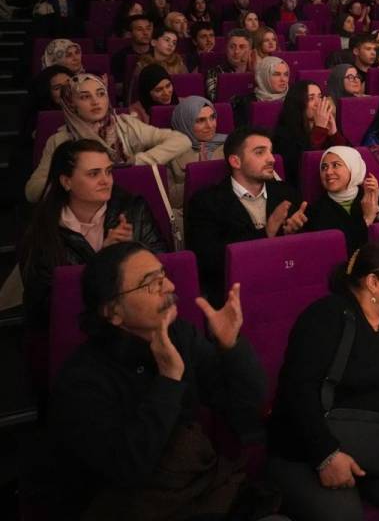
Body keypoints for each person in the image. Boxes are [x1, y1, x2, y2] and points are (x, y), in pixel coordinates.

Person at [48, 242, 266, 519]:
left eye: (163, 276)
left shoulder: (182, 336)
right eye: (151, 284)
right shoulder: (81, 381)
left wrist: (231, 347)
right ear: (113, 312)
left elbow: (245, 408)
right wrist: (168, 380)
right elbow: (128, 469)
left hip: (200, 491)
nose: (170, 287)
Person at [267, 240, 379, 521]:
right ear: (373, 282)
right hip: (309, 447)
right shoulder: (324, 317)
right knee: (342, 514)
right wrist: (325, 455)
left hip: (376, 441)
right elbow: (297, 391)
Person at [19, 140, 166, 332]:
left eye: (108, 171)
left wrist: (132, 253)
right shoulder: (43, 228)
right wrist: (102, 259)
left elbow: (163, 269)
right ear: (66, 181)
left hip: (132, 323)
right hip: (75, 329)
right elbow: (44, 305)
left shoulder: (132, 208)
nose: (106, 181)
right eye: (93, 174)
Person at [26, 74, 191, 203]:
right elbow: (32, 191)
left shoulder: (126, 125)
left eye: (100, 94)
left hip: (127, 201)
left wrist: (139, 161)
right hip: (81, 208)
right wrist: (75, 181)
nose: (95, 102)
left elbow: (181, 140)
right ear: (71, 104)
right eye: (84, 97)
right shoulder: (60, 140)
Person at [185, 127, 309, 299]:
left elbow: (305, 253)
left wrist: (292, 233)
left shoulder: (286, 193)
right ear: (236, 161)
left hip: (286, 284)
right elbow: (208, 261)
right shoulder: (206, 202)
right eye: (260, 153)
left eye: (271, 152)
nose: (271, 159)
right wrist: (267, 232)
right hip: (237, 293)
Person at [307, 146, 379, 253]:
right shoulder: (317, 210)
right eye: (324, 167)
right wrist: (367, 219)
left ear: (353, 168)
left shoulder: (378, 197)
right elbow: (342, 251)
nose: (328, 172)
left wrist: (377, 210)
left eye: (335, 165)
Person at [271, 80, 349, 186]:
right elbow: (303, 169)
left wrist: (334, 134)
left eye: (320, 97)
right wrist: (319, 129)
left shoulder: (325, 129)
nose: (318, 103)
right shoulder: (283, 135)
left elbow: (348, 161)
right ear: (298, 103)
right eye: (311, 98)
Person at [166, 95, 227, 208]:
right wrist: (198, 175)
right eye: (200, 120)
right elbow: (171, 200)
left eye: (212, 117)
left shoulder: (230, 144)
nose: (210, 125)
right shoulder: (170, 153)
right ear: (185, 123)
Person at [206, 29, 253, 102]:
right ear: (226, 49)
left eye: (242, 47)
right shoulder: (214, 73)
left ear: (250, 51)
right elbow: (214, 101)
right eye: (232, 47)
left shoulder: (256, 73)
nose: (236, 51)